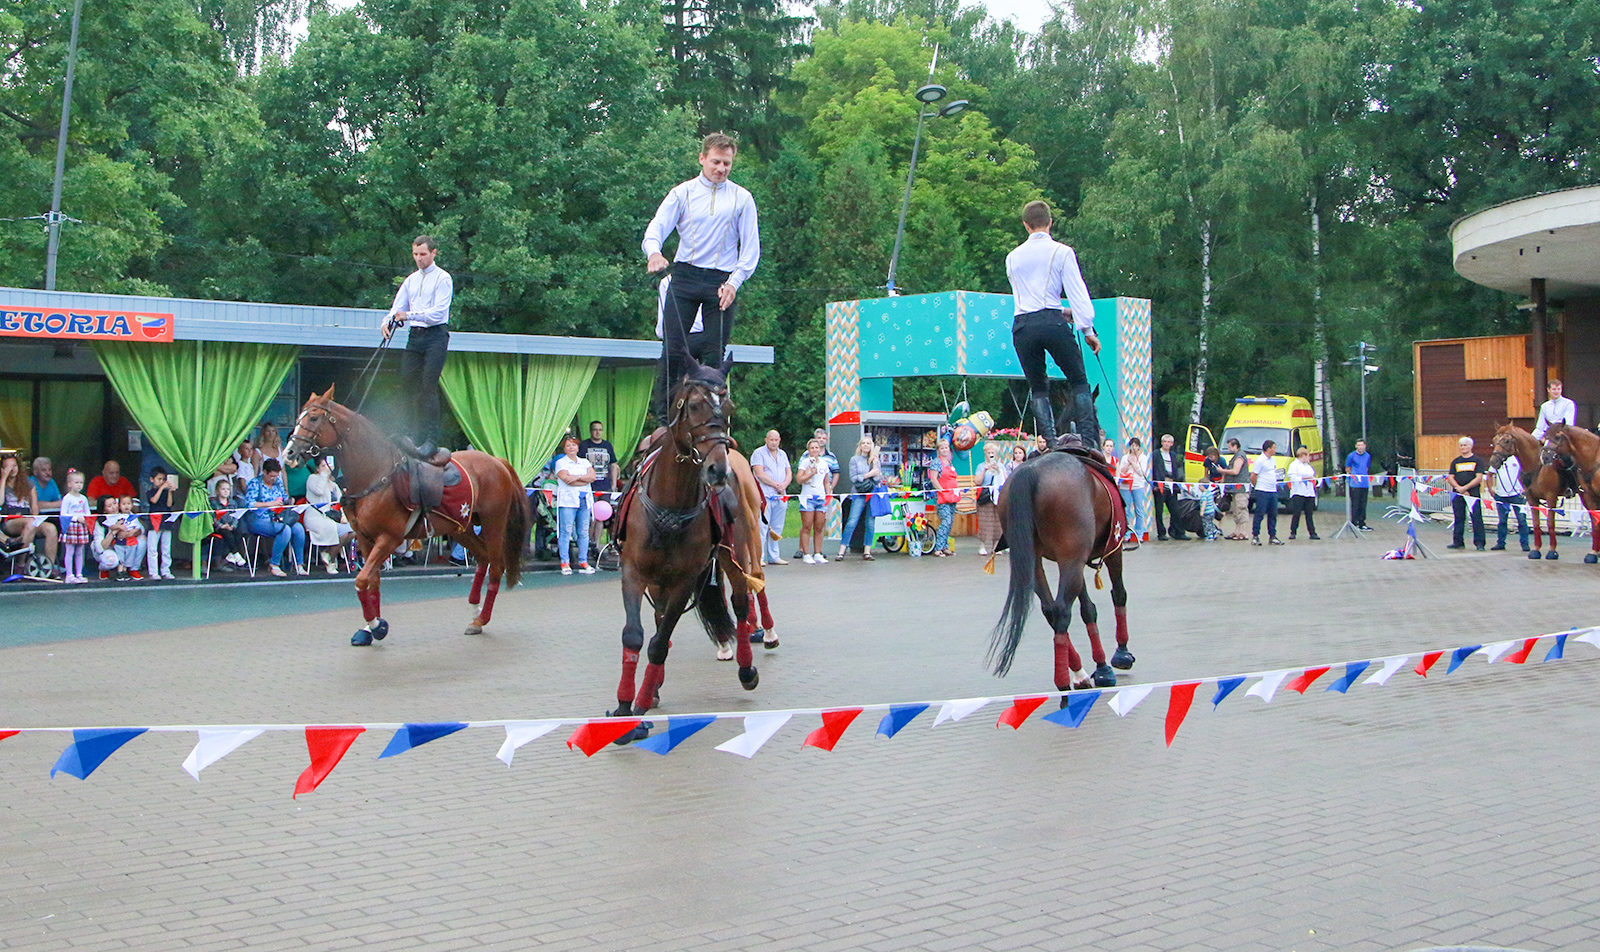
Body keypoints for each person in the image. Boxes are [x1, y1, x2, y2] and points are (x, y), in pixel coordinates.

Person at [642, 132, 761, 424]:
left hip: (721, 280)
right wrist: (654, 253)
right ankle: (665, 419)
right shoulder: (682, 193)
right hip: (685, 276)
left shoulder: (742, 198)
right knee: (673, 349)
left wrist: (734, 282)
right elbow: (656, 228)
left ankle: (713, 417)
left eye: (727, 164)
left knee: (714, 354)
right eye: (717, 162)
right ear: (703, 159)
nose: (721, 169)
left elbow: (750, 248)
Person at [1004, 199, 1101, 447]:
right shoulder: (1062, 252)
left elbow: (1033, 298)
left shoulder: (1012, 257)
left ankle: (1050, 440)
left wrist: (1061, 310)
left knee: (1038, 387)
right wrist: (1087, 329)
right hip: (1051, 322)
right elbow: (1077, 292)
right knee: (1078, 380)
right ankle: (1089, 441)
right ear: (1051, 222)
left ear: (1026, 225)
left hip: (1023, 326)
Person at [381, 234, 454, 462]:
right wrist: (387, 321)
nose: (419, 259)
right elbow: (397, 306)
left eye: (423, 254)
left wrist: (408, 315)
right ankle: (406, 432)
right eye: (415, 254)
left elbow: (438, 313)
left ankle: (430, 438)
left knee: (427, 386)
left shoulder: (443, 278)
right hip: (416, 335)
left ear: (433, 253)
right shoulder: (411, 280)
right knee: (406, 382)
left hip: (435, 335)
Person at [243, 458, 307, 577]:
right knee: (285, 530)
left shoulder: (278, 483)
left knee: (298, 528)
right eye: (271, 476)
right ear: (265, 473)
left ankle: (299, 564)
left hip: (279, 517)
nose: (274, 479)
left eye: (276, 476)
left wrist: (289, 500)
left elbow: (283, 498)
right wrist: (269, 504)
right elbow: (249, 504)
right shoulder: (255, 483)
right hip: (259, 519)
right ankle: (274, 564)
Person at [1, 453, 60, 570]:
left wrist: (35, 515)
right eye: (8, 467)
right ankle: (21, 564)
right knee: (30, 524)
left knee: (51, 528)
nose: (12, 469)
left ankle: (49, 567)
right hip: (9, 521)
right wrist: (3, 478)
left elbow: (35, 507)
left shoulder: (28, 483)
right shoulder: (2, 483)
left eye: (15, 466)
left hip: (29, 519)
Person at [553, 435, 596, 575]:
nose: (571, 447)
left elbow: (592, 477)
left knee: (583, 531)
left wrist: (576, 477)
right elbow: (566, 479)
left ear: (578, 447)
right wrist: (583, 478)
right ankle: (565, 562)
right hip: (568, 501)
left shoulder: (585, 462)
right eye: (568, 445)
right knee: (565, 531)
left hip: (584, 499)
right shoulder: (561, 462)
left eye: (573, 445)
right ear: (564, 449)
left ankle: (583, 560)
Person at [304, 456, 352, 573]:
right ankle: (330, 560)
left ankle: (329, 554)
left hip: (332, 517)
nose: (326, 468)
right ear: (318, 468)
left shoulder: (334, 485)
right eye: (323, 466)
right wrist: (324, 475)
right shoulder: (312, 478)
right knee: (337, 530)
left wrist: (343, 516)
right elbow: (319, 491)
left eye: (327, 466)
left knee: (351, 530)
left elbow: (340, 503)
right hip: (315, 517)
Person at [749, 430, 791, 565]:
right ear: (766, 439)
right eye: (771, 440)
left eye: (776, 440)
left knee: (777, 526)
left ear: (779, 440)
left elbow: (788, 472)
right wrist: (775, 484)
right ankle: (758, 557)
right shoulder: (758, 453)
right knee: (762, 526)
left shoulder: (783, 454)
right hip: (764, 495)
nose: (774, 442)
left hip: (780, 495)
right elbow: (759, 473)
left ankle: (774, 556)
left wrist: (784, 485)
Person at [579, 420, 619, 556]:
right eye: (595, 429)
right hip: (588, 486)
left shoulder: (607, 445)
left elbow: (613, 465)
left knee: (601, 517)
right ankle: (587, 543)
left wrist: (613, 484)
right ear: (591, 431)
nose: (597, 432)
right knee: (590, 517)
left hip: (604, 486)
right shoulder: (584, 446)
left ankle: (596, 544)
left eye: (600, 429)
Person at [838, 437, 880, 562]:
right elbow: (853, 478)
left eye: (868, 443)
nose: (866, 445)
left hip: (872, 494)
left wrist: (876, 464)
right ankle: (842, 550)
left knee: (870, 523)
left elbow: (878, 479)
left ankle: (867, 551)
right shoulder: (854, 460)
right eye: (863, 443)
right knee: (852, 521)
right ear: (860, 446)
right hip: (859, 493)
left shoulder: (874, 460)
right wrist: (869, 474)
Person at [1445, 436, 1487, 551]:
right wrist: (1458, 487)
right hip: (1458, 494)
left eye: (1465, 445)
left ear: (1471, 446)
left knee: (1476, 518)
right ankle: (1458, 542)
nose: (1463, 447)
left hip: (1472, 494)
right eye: (1461, 445)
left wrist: (1466, 488)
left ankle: (1480, 543)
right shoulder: (1455, 461)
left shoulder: (1478, 461)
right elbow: (1450, 477)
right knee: (1458, 518)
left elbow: (1478, 478)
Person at [795, 438, 831, 563]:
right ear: (808, 450)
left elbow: (826, 481)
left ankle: (818, 552)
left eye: (817, 448)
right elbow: (799, 479)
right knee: (807, 526)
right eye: (812, 448)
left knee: (819, 526)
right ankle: (806, 553)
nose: (815, 450)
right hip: (808, 498)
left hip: (820, 498)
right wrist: (810, 474)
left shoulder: (824, 463)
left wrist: (828, 494)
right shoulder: (805, 462)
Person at [93, 495, 144, 581]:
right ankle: (104, 569)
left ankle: (133, 569)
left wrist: (131, 533)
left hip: (125, 544)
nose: (114, 507)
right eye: (109, 506)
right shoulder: (101, 522)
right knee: (111, 561)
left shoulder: (125, 515)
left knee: (142, 540)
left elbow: (141, 529)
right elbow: (100, 548)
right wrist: (114, 531)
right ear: (104, 510)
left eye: (115, 503)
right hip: (108, 548)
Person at [1490, 448, 1530, 552]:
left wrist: (1525, 488)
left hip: (1517, 494)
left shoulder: (1517, 459)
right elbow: (1489, 474)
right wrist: (1490, 489)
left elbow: (1526, 473)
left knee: (1521, 520)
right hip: (1501, 494)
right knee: (1502, 521)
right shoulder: (1497, 460)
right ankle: (1500, 543)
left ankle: (1525, 544)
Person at [1150, 432, 1187, 540]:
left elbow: (1177, 469)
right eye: (1165, 442)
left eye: (1169, 442)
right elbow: (1154, 469)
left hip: (1172, 486)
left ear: (1172, 443)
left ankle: (1178, 531)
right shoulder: (1156, 454)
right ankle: (1161, 533)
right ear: (1162, 443)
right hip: (1160, 485)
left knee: (1175, 510)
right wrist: (1155, 483)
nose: (1166, 444)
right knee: (1159, 510)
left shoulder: (1173, 455)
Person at [145, 465, 178, 579]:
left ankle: (166, 570)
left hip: (166, 520)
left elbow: (169, 504)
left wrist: (169, 492)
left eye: (163, 479)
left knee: (166, 548)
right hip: (154, 522)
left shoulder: (165, 491)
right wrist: (161, 488)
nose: (162, 481)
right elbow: (153, 500)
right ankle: (153, 572)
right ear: (152, 480)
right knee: (153, 549)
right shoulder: (150, 492)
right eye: (159, 479)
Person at [209, 478, 250, 571]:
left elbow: (236, 516)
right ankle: (236, 554)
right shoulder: (213, 503)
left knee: (239, 533)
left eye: (228, 489)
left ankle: (231, 556)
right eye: (223, 489)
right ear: (217, 491)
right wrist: (221, 525)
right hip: (220, 527)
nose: (226, 491)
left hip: (230, 526)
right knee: (228, 535)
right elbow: (212, 517)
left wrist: (233, 526)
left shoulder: (233, 503)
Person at [58, 469, 90, 583]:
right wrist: (76, 518)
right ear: (69, 484)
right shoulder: (67, 498)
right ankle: (69, 575)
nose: (79, 485)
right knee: (70, 551)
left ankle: (79, 573)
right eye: (76, 482)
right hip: (70, 525)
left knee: (80, 551)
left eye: (81, 482)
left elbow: (87, 512)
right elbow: (63, 514)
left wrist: (86, 520)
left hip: (81, 527)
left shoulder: (83, 498)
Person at [1115, 437, 1149, 548]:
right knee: (1126, 510)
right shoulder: (1125, 457)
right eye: (1132, 445)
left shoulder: (1143, 458)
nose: (1134, 447)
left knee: (1139, 509)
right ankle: (1127, 533)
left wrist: (1134, 463)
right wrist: (1128, 463)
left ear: (1139, 447)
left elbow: (1141, 472)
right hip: (1125, 486)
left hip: (1138, 485)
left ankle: (1139, 534)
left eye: (1136, 445)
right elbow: (1121, 471)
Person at [974, 442, 1006, 556]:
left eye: (993, 452)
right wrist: (985, 470)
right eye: (989, 452)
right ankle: (982, 545)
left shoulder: (1000, 465)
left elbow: (1005, 480)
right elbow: (977, 482)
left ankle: (996, 546)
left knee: (998, 521)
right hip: (985, 496)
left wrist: (999, 471)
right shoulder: (981, 466)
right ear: (985, 453)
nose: (991, 454)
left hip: (997, 496)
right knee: (984, 521)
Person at [1250, 440, 1284, 545]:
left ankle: (1272, 536)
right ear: (1269, 449)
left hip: (1272, 490)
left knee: (1273, 514)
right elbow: (1253, 476)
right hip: (1262, 491)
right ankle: (1255, 536)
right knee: (1259, 513)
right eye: (1274, 448)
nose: (1275, 450)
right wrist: (1257, 487)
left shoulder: (1273, 460)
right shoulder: (1260, 460)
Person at [930, 440, 960, 557]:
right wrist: (941, 491)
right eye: (942, 448)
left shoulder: (949, 462)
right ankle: (938, 548)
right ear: (938, 450)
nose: (944, 450)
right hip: (942, 496)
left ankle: (945, 546)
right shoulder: (936, 462)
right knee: (946, 521)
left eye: (946, 447)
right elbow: (934, 479)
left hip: (952, 496)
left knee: (950, 521)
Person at [1284, 447, 1320, 541]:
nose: (1308, 458)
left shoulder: (1308, 466)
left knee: (1309, 514)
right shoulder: (1294, 465)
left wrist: (1314, 480)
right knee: (1297, 513)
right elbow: (1292, 477)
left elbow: (1312, 475)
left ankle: (1312, 532)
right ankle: (1293, 532)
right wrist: (1304, 478)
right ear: (1303, 456)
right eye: (1307, 456)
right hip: (1298, 492)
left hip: (1309, 493)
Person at [1221, 437, 1251, 540]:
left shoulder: (1240, 456)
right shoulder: (1236, 456)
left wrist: (1223, 471)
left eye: (1230, 447)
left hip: (1241, 489)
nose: (1229, 449)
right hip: (1235, 489)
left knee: (1242, 509)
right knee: (1236, 510)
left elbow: (1235, 471)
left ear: (1235, 446)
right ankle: (1237, 531)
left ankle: (1243, 532)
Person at [1344, 438, 1375, 530]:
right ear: (1356, 446)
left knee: (1363, 504)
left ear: (1365, 446)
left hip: (1364, 483)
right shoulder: (1351, 456)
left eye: (1362, 445)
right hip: (1355, 484)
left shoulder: (1367, 456)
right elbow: (1347, 468)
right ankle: (1354, 522)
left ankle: (1362, 522)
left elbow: (1367, 467)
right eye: (1358, 445)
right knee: (1355, 504)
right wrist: (1351, 478)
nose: (1360, 447)